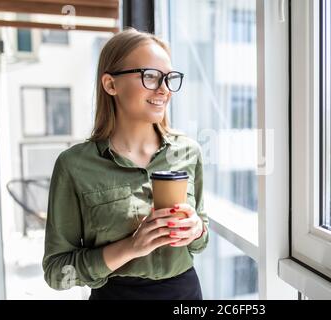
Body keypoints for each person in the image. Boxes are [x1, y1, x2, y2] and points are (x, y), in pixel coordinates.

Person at [42, 28, 209, 300]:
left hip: (186, 294)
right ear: (111, 84)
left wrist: (197, 229)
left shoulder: (189, 151)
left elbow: (201, 242)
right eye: (151, 76)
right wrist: (131, 247)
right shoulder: (73, 165)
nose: (164, 89)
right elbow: (57, 273)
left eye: (169, 78)